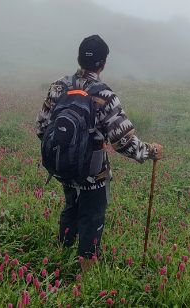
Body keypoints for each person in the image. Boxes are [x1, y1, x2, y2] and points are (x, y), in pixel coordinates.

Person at [35, 34, 163, 269]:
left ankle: (60, 257)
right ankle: (86, 278)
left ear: (78, 58)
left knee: (71, 207)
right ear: (103, 63)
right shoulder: (105, 96)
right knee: (92, 219)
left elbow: (41, 128)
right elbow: (123, 142)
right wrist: (150, 151)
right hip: (93, 175)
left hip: (63, 169)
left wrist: (67, 152)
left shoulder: (58, 87)